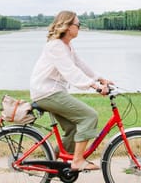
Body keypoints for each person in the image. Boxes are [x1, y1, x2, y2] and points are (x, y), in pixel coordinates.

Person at [29, 10, 114, 172]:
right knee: (89, 116)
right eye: (78, 24)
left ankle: (52, 164)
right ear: (68, 27)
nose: (80, 27)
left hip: (52, 92)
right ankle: (77, 161)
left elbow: (80, 65)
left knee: (74, 128)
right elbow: (71, 72)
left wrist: (100, 78)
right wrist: (94, 86)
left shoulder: (66, 46)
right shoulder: (55, 46)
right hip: (47, 93)